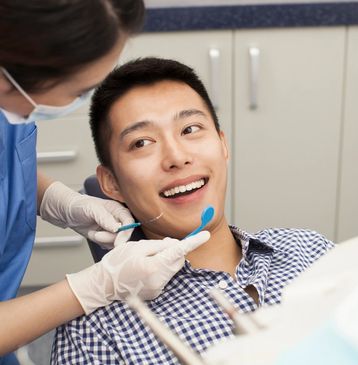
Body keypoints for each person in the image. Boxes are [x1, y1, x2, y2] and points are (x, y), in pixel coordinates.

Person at [51, 57, 334, 364]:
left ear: (222, 145)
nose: (176, 156)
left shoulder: (310, 250)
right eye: (142, 142)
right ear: (111, 182)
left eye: (190, 129)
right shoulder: (95, 332)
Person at [0, 3, 209, 363]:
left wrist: (58, 200)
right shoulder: (92, 338)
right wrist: (93, 288)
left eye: (190, 129)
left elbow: (8, 162)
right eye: (81, 90)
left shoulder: (302, 250)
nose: (177, 157)